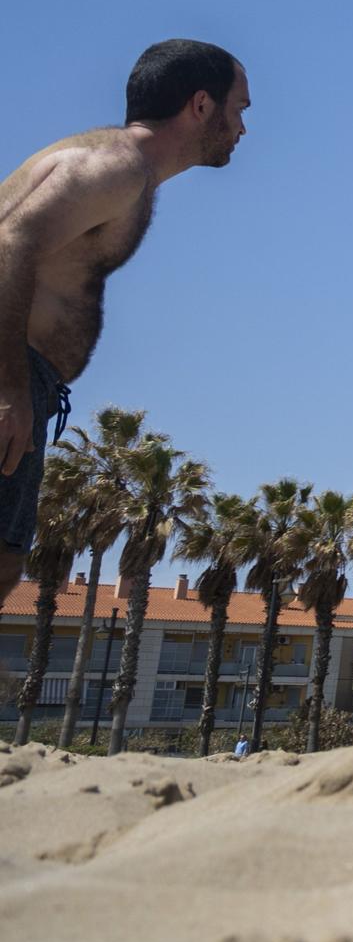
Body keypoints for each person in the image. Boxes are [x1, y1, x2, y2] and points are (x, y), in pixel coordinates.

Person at [0, 40, 250, 596]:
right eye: (240, 109)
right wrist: (11, 390)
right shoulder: (119, 167)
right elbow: (10, 240)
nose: (243, 128)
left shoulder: (108, 162)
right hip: (13, 376)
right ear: (202, 106)